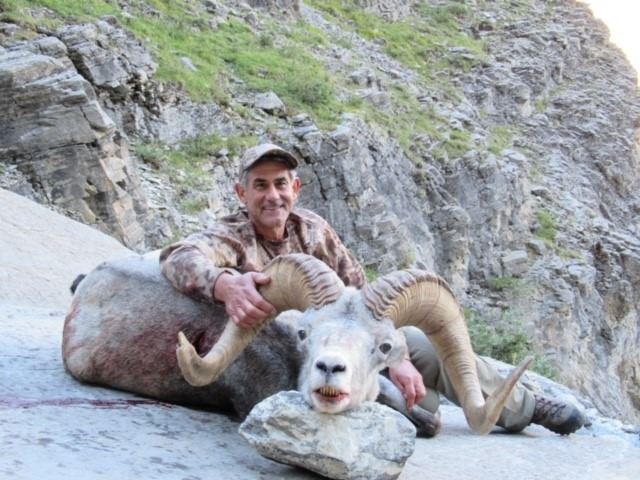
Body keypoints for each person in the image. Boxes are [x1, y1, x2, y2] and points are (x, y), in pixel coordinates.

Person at [159, 143, 586, 436]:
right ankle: (420, 406)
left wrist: (396, 355)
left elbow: (363, 298)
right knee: (421, 407)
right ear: (242, 193)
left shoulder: (313, 230)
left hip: (357, 345)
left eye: (280, 183)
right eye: (260, 185)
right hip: (302, 355)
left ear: (295, 188)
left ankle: (521, 407)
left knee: (423, 343)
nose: (272, 195)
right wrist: (225, 284)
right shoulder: (232, 236)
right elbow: (176, 257)